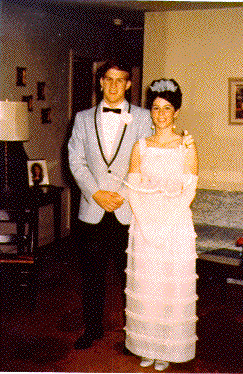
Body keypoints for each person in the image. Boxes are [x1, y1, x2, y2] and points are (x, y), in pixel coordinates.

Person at [68, 60, 152, 350]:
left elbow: (147, 161)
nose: (114, 85)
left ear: (129, 84)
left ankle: (137, 334)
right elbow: (75, 161)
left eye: (121, 80)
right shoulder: (81, 118)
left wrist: (124, 193)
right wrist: (96, 193)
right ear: (100, 81)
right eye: (109, 79)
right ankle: (92, 329)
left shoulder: (143, 117)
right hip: (93, 210)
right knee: (91, 275)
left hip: (129, 210)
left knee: (133, 276)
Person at [123, 79, 198, 371]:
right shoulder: (140, 146)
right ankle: (147, 345)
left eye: (167, 108)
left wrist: (166, 221)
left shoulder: (186, 145)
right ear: (150, 111)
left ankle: (167, 347)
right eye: (156, 108)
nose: (161, 114)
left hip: (175, 226)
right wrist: (147, 218)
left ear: (176, 111)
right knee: (148, 285)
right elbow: (133, 186)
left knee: (169, 288)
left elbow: (189, 188)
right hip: (144, 224)